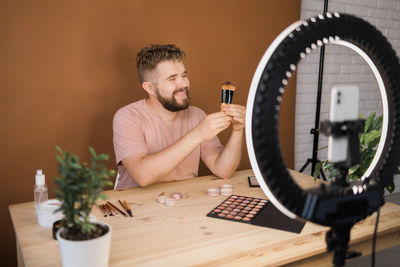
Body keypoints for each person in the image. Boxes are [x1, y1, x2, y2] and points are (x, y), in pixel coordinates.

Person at [112, 44, 245, 189]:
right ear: (149, 87)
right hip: (137, 206)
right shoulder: (127, 117)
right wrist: (198, 135)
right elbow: (143, 176)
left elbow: (223, 170)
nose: (183, 84)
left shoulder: (197, 115)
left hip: (183, 202)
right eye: (172, 78)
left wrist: (238, 130)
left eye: (184, 75)